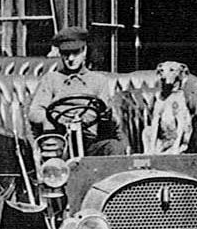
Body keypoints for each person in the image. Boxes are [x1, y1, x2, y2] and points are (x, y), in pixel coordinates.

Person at [28, 26, 126, 156]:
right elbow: (35, 112)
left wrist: (98, 117)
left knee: (113, 147)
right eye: (66, 54)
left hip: (89, 139)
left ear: (84, 51)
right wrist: (57, 121)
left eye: (75, 53)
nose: (71, 58)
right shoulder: (51, 79)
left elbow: (105, 111)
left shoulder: (98, 80)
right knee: (53, 148)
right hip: (61, 138)